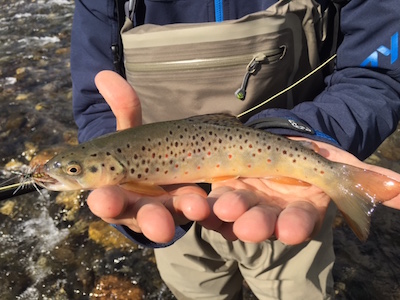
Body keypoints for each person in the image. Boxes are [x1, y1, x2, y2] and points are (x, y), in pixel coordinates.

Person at [70, 0, 400, 299]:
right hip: (173, 209)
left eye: (74, 170)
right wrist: (126, 197)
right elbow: (97, 106)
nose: (73, 174)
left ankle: (342, 183)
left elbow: (377, 74)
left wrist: (315, 131)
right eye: (74, 170)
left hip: (290, 205)